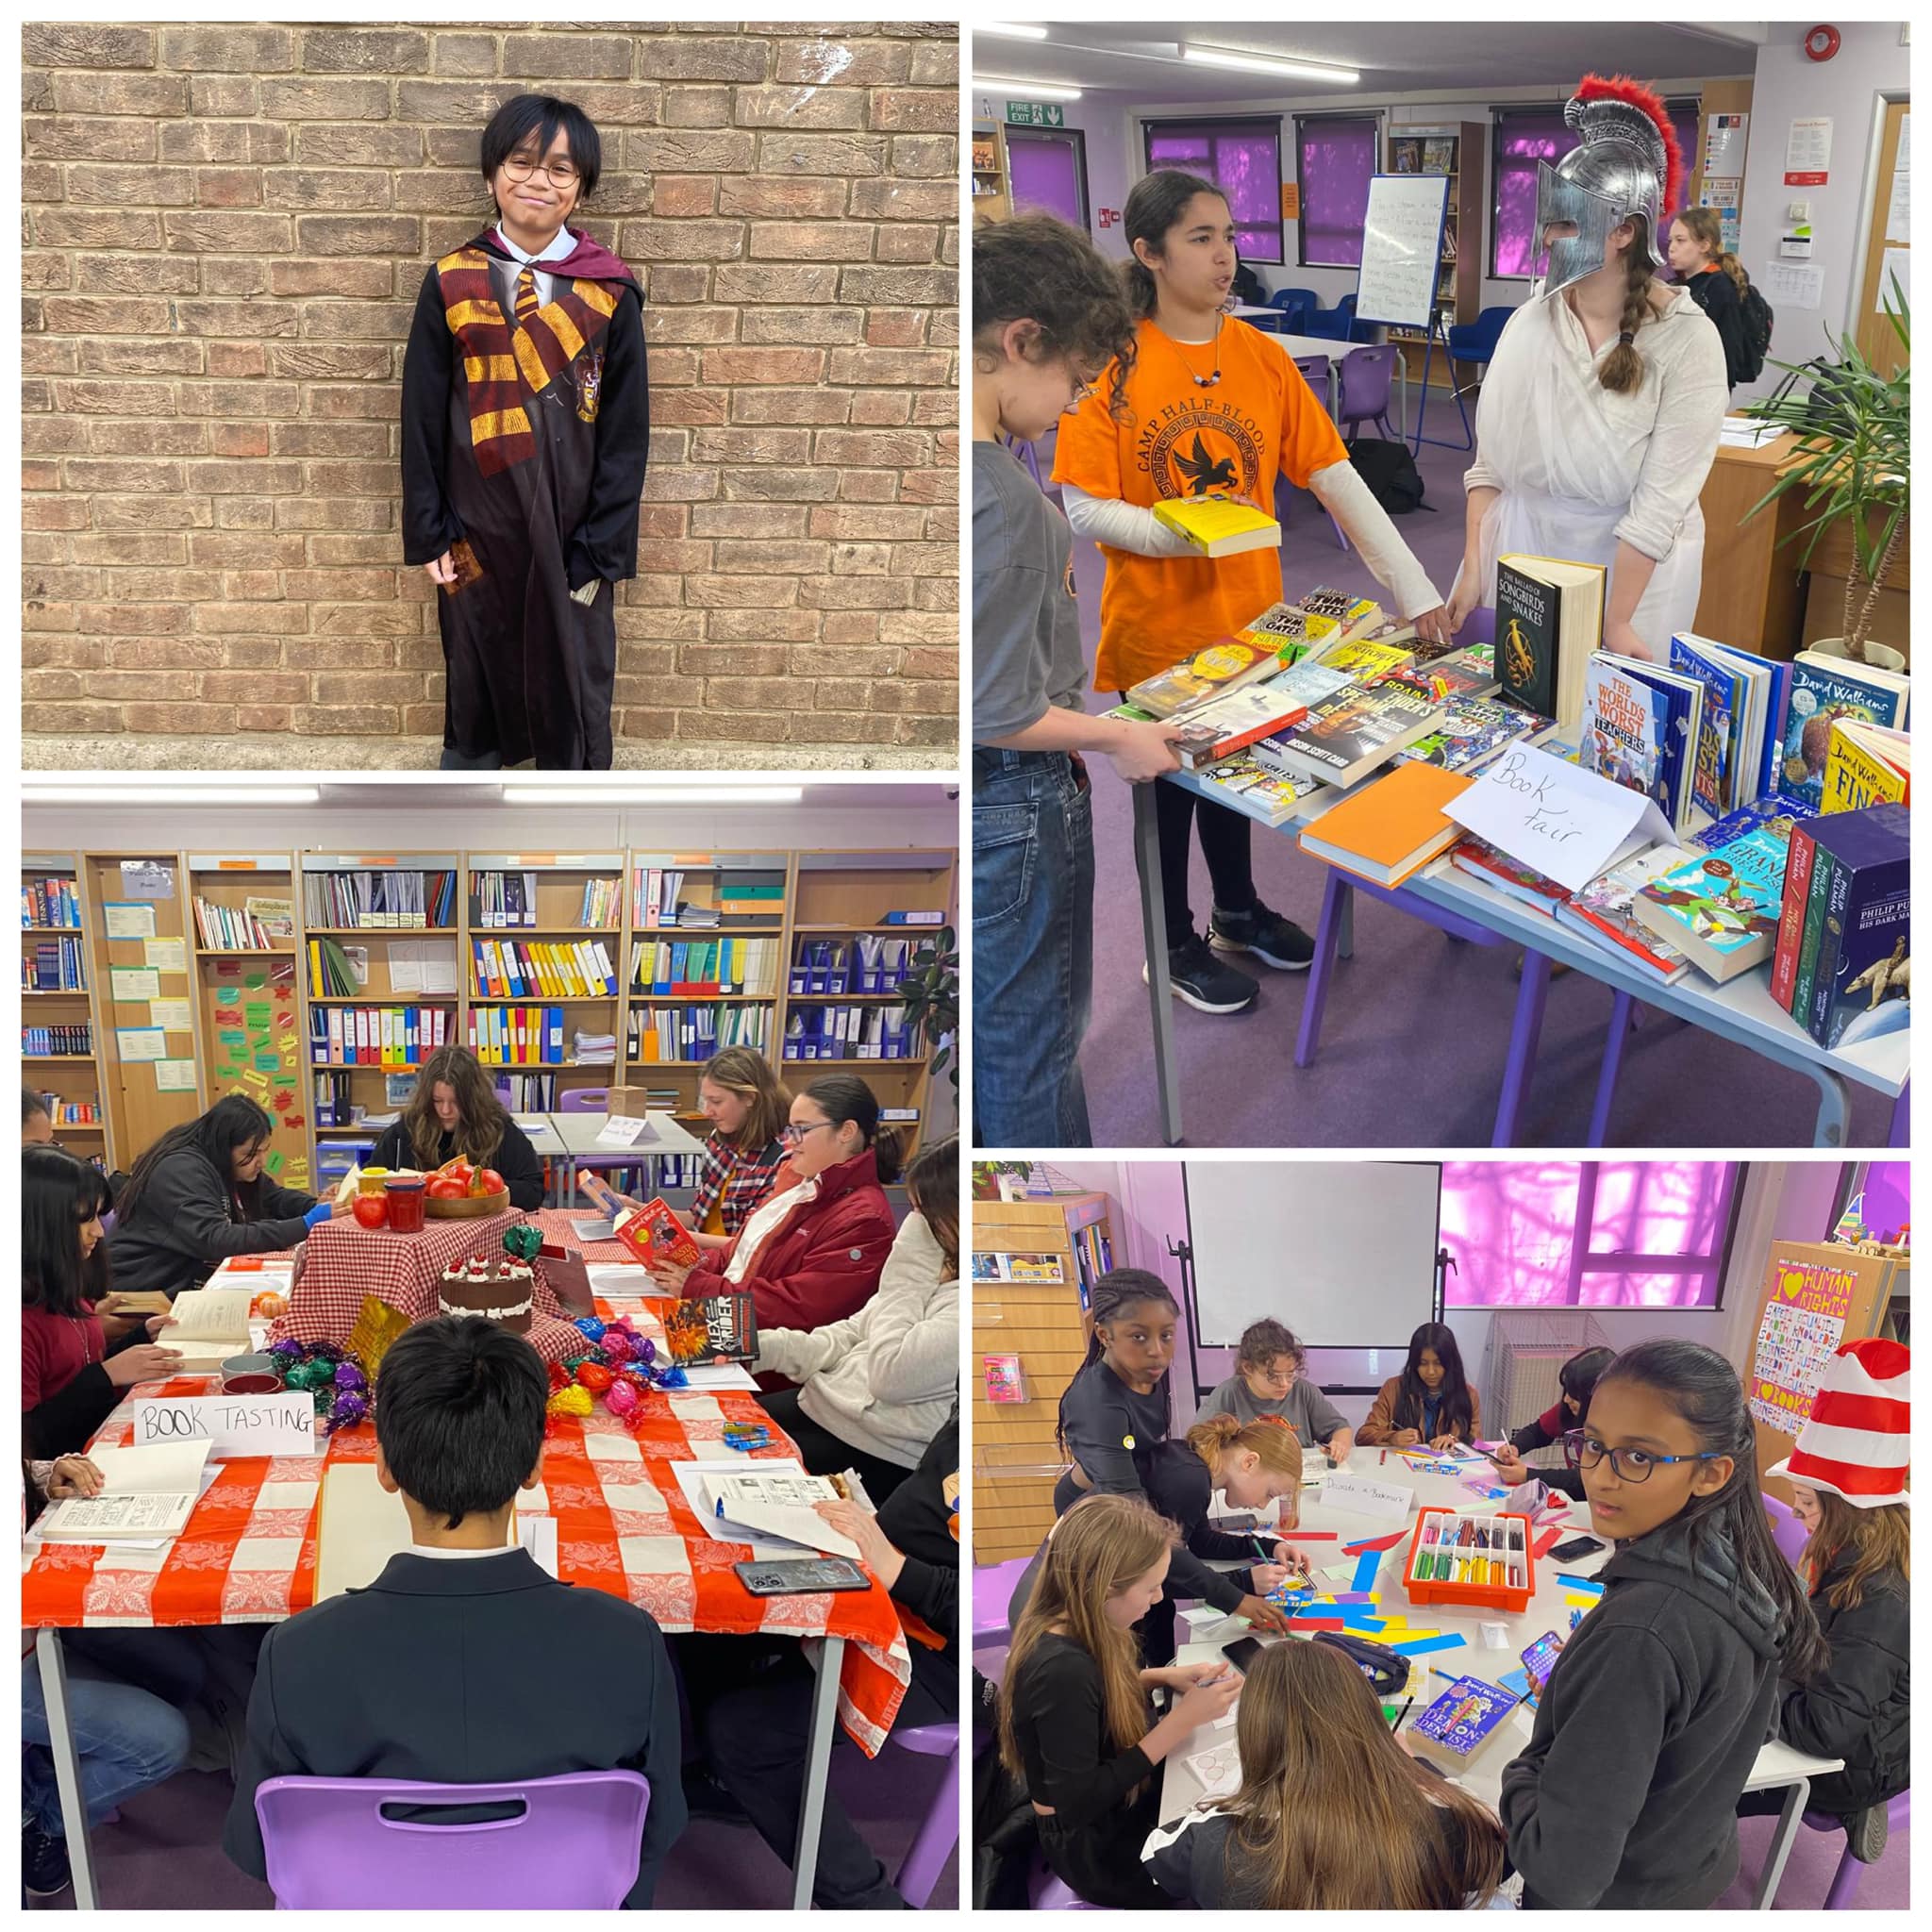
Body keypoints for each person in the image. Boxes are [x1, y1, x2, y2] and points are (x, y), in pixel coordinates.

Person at [1054, 169, 1451, 1016]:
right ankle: (1168, 944)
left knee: (1234, 783)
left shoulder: (1263, 358)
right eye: (1202, 238)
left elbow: (1337, 476)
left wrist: (1416, 590)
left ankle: (1236, 914)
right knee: (1164, 797)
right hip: (1157, 634)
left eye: (1230, 237)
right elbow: (1082, 500)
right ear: (1149, 253)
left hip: (1252, 629)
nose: (1226, 256)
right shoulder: (1113, 365)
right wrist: (1171, 532)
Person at [223, 1316, 686, 1906]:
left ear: (385, 1467)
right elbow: (656, 1829)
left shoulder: (296, 1652)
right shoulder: (629, 1642)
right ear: (536, 1464)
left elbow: (260, 1848)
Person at [972, 213, 1182, 1148]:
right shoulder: (1008, 502)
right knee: (1032, 1041)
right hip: (1015, 799)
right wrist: (1114, 735)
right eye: (1072, 382)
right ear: (1019, 343)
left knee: (1002, 1024)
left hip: (984, 802)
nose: (1071, 407)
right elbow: (997, 710)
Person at [1499, 1339, 1825, 1908]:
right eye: (1594, 1446)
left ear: (1711, 1473)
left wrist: (1522, 1774)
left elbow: (1565, 1872)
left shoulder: (1642, 1634)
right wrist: (1607, 1716)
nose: (1600, 1477)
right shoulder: (1747, 1566)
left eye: (1639, 1457)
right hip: (1687, 1867)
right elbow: (1757, 1725)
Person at [401, 92, 648, 771]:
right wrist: (429, 532)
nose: (540, 180)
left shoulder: (609, 292)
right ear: (492, 176)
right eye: (522, 161)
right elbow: (421, 412)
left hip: (574, 532)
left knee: (574, 675)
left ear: (580, 190)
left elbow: (628, 432)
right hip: (472, 530)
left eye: (561, 169)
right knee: (476, 665)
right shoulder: (450, 281)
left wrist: (600, 547)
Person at [1445, 75, 1727, 662]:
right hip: (1523, 552)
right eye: (1549, 221)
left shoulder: (1688, 341)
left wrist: (1615, 620)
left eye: (1567, 224)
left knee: (1611, 730)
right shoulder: (1532, 321)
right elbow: (1489, 469)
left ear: (1624, 230)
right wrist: (1474, 569)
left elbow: (1658, 507)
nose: (1548, 238)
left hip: (1632, 579)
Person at [692, 1404, 959, 1908]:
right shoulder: (966, 1408)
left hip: (935, 1650)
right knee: (715, 1610)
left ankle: (871, 1904)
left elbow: (999, 1605)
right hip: (875, 1581)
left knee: (746, 1733)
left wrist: (896, 1567)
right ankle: (713, 1776)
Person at [1000, 1492, 1241, 1908]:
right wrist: (1179, 1723)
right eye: (1150, 1588)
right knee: (1235, 1862)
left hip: (1121, 1803)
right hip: (1102, 1850)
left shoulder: (1081, 1624)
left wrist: (1156, 1677)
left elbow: (1093, 1694)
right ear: (1103, 1588)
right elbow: (1077, 1803)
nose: (1160, 1599)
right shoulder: (1060, 1671)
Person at [1142, 1638, 1507, 1907]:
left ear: (1254, 1736)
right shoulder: (1451, 1820)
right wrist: (1414, 1767)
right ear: (1369, 1722)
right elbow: (1500, 1854)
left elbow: (1155, 1855)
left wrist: (1233, 1804)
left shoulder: (1213, 1836)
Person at [1738, 1339, 1907, 1857]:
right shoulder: (1845, 1554)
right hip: (1837, 1706)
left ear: (1848, 1510)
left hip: (1857, 1760)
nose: (1796, 1515)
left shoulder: (1882, 1598)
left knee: (1697, 1781)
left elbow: (1824, 1729)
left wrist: (1748, 1686)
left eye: (1807, 1503)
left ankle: (1855, 1804)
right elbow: (1807, 1636)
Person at [22, 1453, 201, 1899]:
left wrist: (43, 1475)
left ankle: (45, 1768)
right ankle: (44, 1819)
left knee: (182, 1673)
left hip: (40, 1613)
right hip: (23, 1644)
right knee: (161, 1743)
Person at [1013, 1411, 1315, 1666]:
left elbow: (1198, 1541)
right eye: (1269, 1494)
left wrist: (1269, 1546)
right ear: (1249, 1462)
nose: (1263, 1505)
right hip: (1059, 1611)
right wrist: (1242, 1589)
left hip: (1068, 1591)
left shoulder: (1190, 1463)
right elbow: (1164, 1577)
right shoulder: (1188, 1479)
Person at [752, 1134, 957, 1504]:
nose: (914, 1224)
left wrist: (908, 1266)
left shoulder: (931, 1283)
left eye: (922, 1214)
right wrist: (756, 1347)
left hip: (878, 1449)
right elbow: (847, 1335)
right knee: (704, 1431)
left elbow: (890, 1376)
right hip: (821, 1405)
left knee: (727, 1464)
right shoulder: (932, 1268)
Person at [653, 1074, 898, 1332]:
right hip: (730, 1316)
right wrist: (687, 1264)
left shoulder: (864, 1219)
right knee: (629, 1327)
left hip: (759, 1344)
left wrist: (697, 1286)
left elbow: (799, 1307)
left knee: (644, 1352)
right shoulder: (803, 1185)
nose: (791, 1141)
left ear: (846, 1132)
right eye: (790, 1130)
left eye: (802, 1130)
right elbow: (740, 1255)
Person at [25, 1146, 181, 1456]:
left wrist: (141, 1337)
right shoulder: (22, 1323)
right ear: (42, 1227)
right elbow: (29, 1440)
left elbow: (83, 1364)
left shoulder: (68, 1290)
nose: (99, 1231)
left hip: (104, 1439)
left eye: (98, 1215)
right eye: (85, 1220)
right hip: (69, 1465)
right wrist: (106, 1376)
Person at [106, 1094, 341, 1300]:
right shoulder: (181, 1170)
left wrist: (315, 1206)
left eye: (264, 1150)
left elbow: (270, 1195)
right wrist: (306, 1224)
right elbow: (216, 1240)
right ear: (223, 1145)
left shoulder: (222, 1160)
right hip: (145, 1288)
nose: (262, 1162)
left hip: (183, 1278)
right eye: (251, 1154)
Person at [580, 1046, 788, 1249]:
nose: (708, 1112)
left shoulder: (782, 1159)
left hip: (731, 1269)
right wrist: (638, 1208)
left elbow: (750, 1247)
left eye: (716, 1101)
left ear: (750, 1098)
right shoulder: (722, 1141)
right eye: (705, 1101)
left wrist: (662, 1230)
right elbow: (697, 1218)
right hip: (700, 1253)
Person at [1052, 1270, 1181, 1514]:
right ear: (1104, 1335)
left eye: (1166, 1335)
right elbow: (1128, 1503)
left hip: (1132, 1492)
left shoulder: (1148, 1370)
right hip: (1092, 1507)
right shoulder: (1095, 1404)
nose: (1157, 1350)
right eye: (1138, 1336)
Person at [367, 1045, 546, 1209]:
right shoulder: (401, 1134)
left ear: (473, 1100)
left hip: (481, 1237)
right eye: (437, 1101)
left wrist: (479, 1190)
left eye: (456, 1101)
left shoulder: (500, 1131)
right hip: (416, 1235)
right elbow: (369, 1185)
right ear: (427, 1099)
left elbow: (534, 1191)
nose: (445, 1111)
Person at [1192, 1316, 1356, 1463]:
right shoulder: (1229, 1393)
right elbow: (1197, 1442)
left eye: (1290, 1373)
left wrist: (1339, 1445)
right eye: (1273, 1376)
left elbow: (1340, 1428)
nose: (1284, 1383)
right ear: (1248, 1368)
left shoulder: (1304, 1391)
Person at [1489, 1343, 1615, 1500]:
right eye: (1567, 1390)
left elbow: (1583, 1479)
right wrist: (1515, 1446)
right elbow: (1537, 1432)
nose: (1567, 1399)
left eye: (1576, 1395)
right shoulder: (1569, 1409)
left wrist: (1528, 1475)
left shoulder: (1614, 1432)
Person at [1666, 207, 1756, 391]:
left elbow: (1728, 345)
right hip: (1681, 379)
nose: (1671, 248)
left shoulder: (1719, 287)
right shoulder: (1681, 284)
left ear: (1704, 245)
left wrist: (1721, 390)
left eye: (1680, 241)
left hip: (1706, 385)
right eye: (1671, 240)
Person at [1357, 1322, 1481, 1448]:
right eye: (1423, 1363)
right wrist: (1392, 1437)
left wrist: (1454, 1441)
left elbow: (1477, 1442)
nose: (1431, 1372)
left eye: (1438, 1363)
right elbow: (1364, 1436)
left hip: (1450, 1466)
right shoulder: (1393, 1388)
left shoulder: (1468, 1395)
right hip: (1400, 1465)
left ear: (1450, 1363)